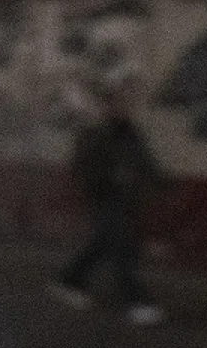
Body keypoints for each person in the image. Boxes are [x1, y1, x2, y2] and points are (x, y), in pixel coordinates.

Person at [50, 84, 166, 326]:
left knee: (102, 245)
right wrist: (106, 182)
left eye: (128, 104)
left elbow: (145, 162)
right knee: (122, 248)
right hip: (104, 199)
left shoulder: (132, 134)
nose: (126, 108)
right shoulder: (97, 134)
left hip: (125, 201)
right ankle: (137, 302)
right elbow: (82, 166)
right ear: (108, 106)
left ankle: (68, 281)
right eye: (119, 103)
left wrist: (160, 183)